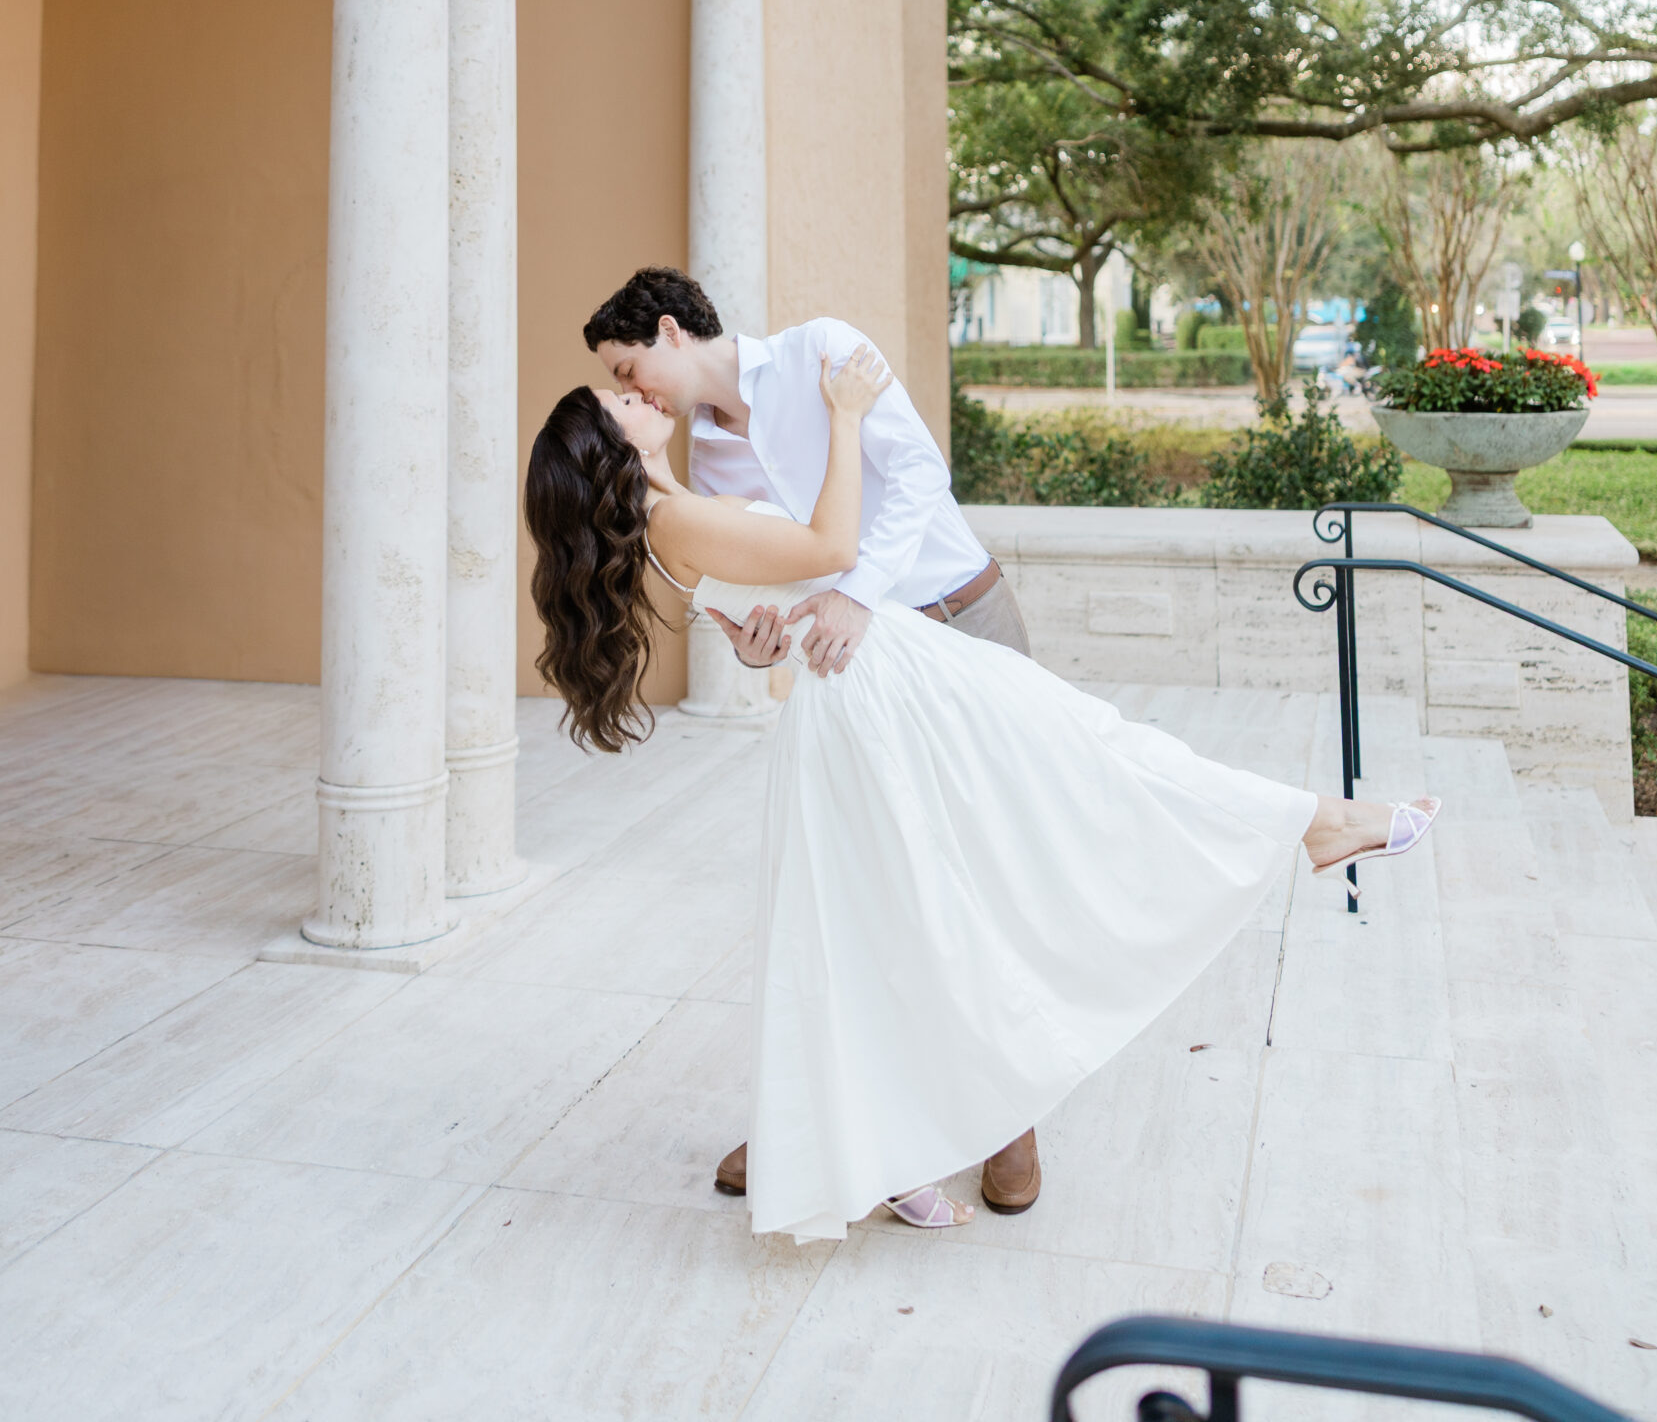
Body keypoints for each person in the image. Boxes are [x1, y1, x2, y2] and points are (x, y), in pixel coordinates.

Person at [525, 345, 1442, 1246]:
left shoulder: (679, 508)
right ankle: (1315, 823)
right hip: (884, 694)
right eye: (616, 401)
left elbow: (765, 611)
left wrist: (762, 643)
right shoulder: (672, 518)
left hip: (888, 683)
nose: (630, 393)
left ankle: (902, 1154)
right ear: (610, 451)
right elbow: (832, 547)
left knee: (937, 890)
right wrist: (844, 419)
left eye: (623, 380)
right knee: (1076, 781)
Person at [584, 267, 1043, 1213]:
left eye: (631, 368)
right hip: (861, 677)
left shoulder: (822, 351)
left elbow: (921, 475)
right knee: (878, 890)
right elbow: (767, 595)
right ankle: (834, 1116)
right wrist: (759, 652)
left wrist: (854, 595)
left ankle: (1009, 1121)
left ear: (671, 330)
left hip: (959, 617)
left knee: (983, 874)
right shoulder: (702, 465)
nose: (634, 393)